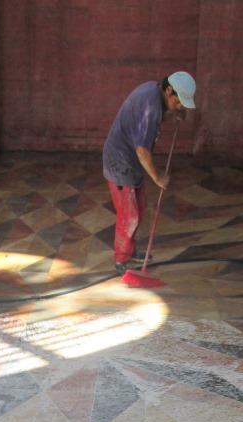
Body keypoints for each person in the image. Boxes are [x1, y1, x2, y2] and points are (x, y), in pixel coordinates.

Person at [103, 71, 196, 273]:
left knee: (140, 208)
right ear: (169, 90)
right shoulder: (151, 106)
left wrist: (173, 113)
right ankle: (121, 258)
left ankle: (129, 249)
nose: (180, 106)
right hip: (120, 162)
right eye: (179, 102)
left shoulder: (154, 91)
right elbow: (142, 150)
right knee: (130, 214)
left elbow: (153, 119)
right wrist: (158, 177)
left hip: (132, 161)